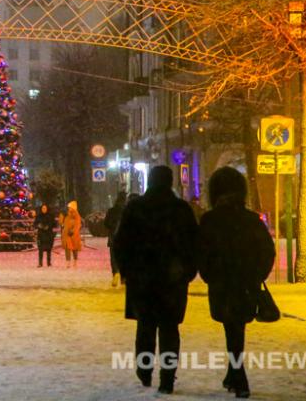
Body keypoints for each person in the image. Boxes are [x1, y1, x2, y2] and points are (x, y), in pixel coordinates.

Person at [114, 165, 199, 394]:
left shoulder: (136, 208)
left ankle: (144, 371)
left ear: (150, 181)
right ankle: (167, 378)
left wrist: (126, 271)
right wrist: (187, 272)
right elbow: (193, 244)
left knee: (145, 328)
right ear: (170, 182)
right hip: (172, 280)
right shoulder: (181, 209)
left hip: (142, 279)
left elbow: (121, 242)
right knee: (170, 329)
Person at [199, 167, 275, 399]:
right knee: (237, 326)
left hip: (222, 282)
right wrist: (257, 275)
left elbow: (202, 252)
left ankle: (238, 375)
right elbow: (267, 251)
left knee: (231, 327)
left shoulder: (210, 220)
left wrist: (209, 275)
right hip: (245, 282)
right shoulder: (252, 220)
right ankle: (234, 374)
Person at [104, 191, 127, 286]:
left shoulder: (111, 210)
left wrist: (111, 227)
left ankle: (115, 273)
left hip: (113, 237)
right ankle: (123, 278)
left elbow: (106, 223)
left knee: (113, 257)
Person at [61, 200, 82, 267]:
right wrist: (61, 216)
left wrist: (73, 231)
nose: (69, 208)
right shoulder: (67, 215)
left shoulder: (76, 216)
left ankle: (75, 262)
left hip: (74, 235)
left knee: (74, 249)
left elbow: (77, 225)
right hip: (67, 235)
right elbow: (63, 223)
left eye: (70, 207)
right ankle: (68, 262)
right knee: (67, 248)